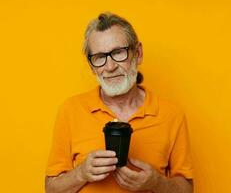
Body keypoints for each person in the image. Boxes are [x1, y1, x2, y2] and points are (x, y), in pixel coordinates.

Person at [45, 12, 193, 193]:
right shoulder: (71, 110)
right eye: (99, 57)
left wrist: (157, 183)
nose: (110, 66)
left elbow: (186, 189)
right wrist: (81, 173)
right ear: (92, 66)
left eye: (118, 52)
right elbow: (51, 189)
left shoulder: (172, 114)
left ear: (137, 54)